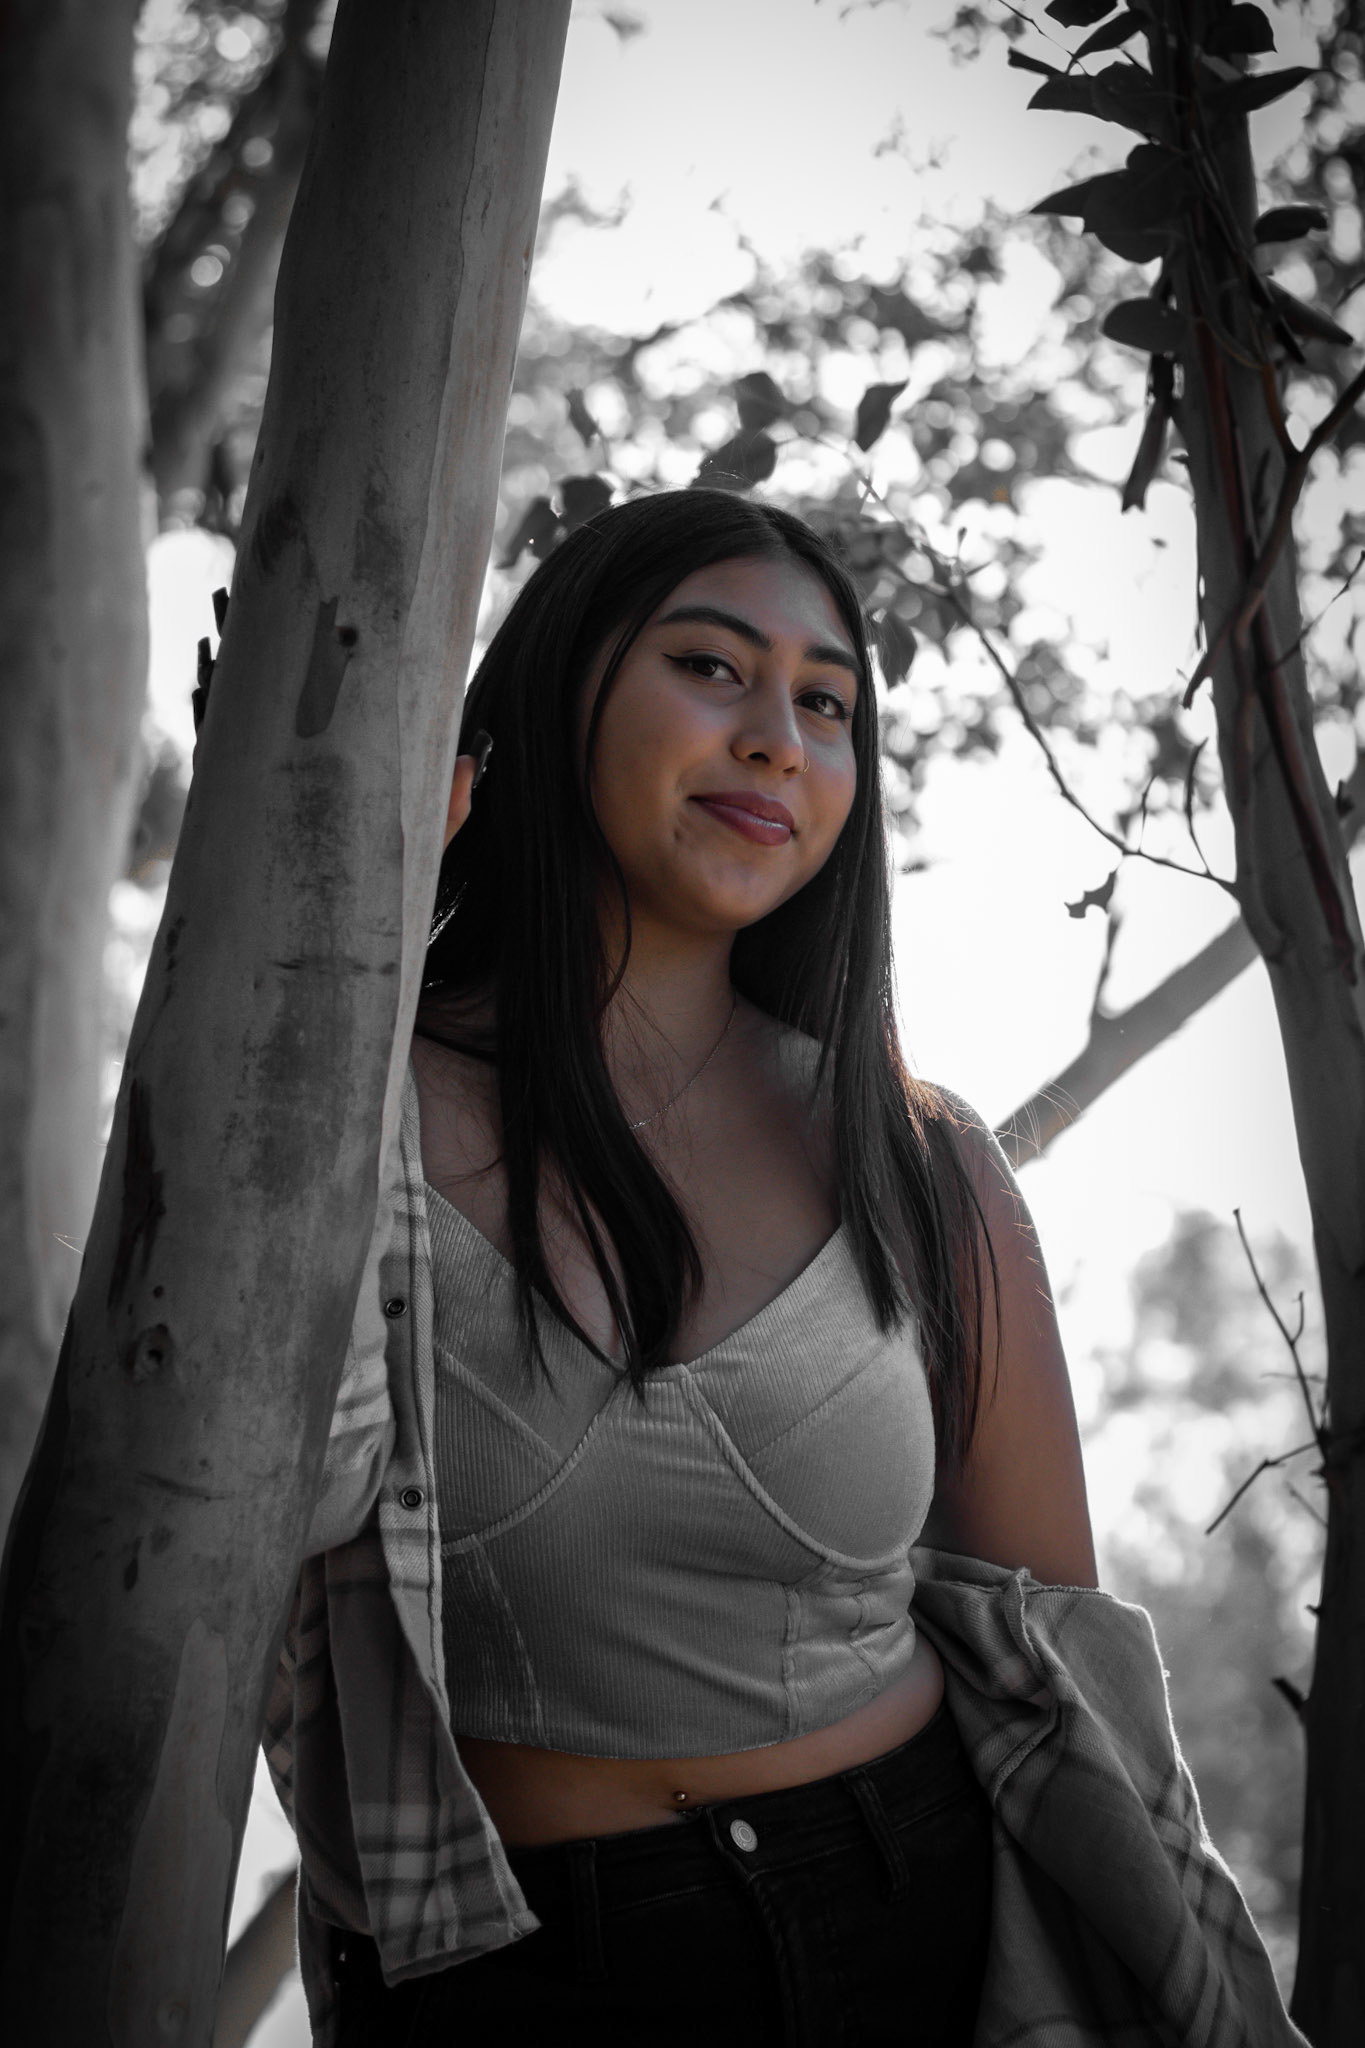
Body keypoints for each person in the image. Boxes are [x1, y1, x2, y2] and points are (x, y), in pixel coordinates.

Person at [265, 489, 1304, 2048]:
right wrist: (314, 902)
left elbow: (1052, 1664)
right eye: (710, 667)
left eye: (826, 705)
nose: (776, 740)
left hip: (915, 1912)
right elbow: (225, 1515)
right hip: (512, 1973)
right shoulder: (337, 1123)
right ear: (548, 697)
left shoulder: (918, 1165)